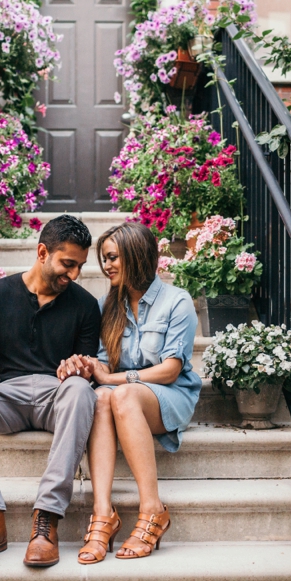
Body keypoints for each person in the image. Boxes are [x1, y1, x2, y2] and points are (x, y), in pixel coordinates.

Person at [0, 215, 101, 568]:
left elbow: (88, 365)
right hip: (7, 398)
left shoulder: (86, 305)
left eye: (79, 266)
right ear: (42, 252)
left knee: (81, 391)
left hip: (56, 397)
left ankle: (46, 521)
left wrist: (81, 367)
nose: (73, 275)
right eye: (67, 264)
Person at [59, 222, 201, 563]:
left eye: (112, 257)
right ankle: (103, 512)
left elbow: (170, 369)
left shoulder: (176, 301)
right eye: (104, 259)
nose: (106, 265)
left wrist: (119, 379)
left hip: (171, 395)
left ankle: (152, 508)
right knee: (100, 396)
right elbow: (105, 368)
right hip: (126, 397)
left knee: (118, 393)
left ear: (136, 255)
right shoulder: (108, 305)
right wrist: (89, 367)